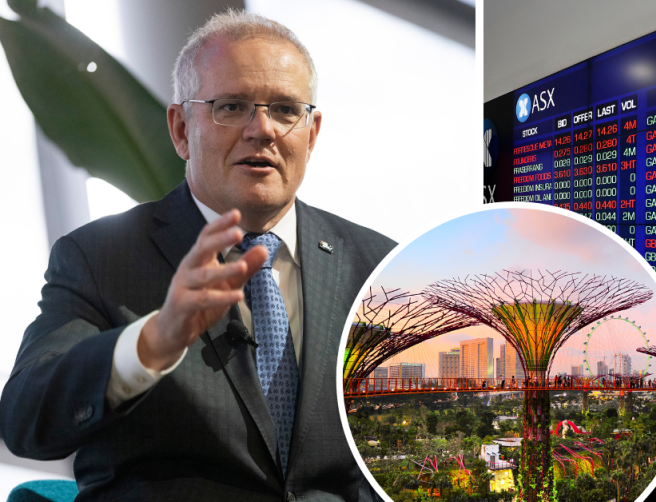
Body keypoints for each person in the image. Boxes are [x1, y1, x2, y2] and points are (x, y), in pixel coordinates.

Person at [0, 10, 394, 502]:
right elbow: (24, 419)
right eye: (232, 107)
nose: (263, 130)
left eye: (286, 110)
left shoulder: (377, 265)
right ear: (181, 129)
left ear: (311, 134)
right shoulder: (99, 258)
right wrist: (155, 340)